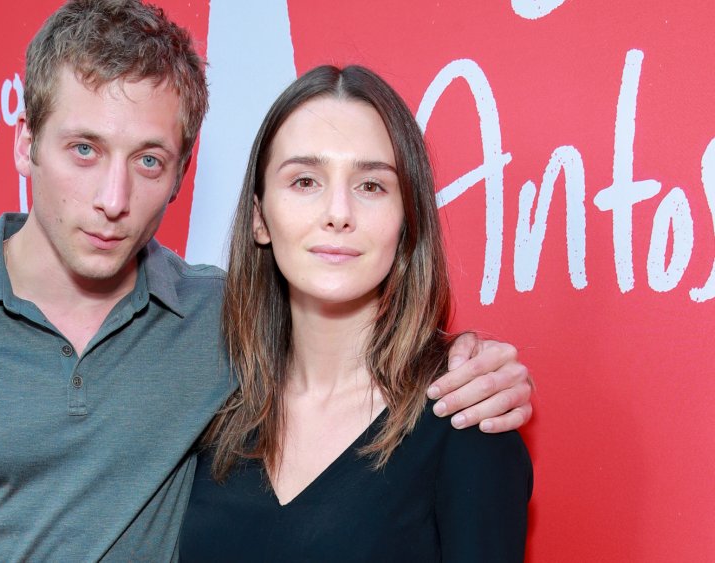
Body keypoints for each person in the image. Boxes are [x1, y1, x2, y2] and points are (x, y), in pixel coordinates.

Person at [0, 1, 533, 561]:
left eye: (148, 159)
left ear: (182, 172)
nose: (112, 196)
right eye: (84, 149)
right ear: (26, 142)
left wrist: (472, 360)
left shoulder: (215, 322)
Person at [179, 65, 533, 561]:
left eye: (371, 186)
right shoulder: (206, 405)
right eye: (305, 181)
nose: (338, 211)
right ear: (260, 217)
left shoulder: (465, 417)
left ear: (406, 222)